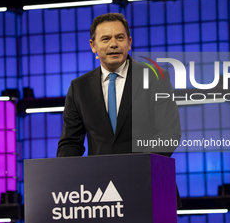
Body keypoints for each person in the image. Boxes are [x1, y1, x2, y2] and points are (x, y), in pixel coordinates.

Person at [57, 12, 182, 207]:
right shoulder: (78, 87)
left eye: (120, 37)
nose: (113, 44)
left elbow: (169, 133)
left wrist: (129, 168)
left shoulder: (157, 77)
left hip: (149, 187)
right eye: (105, 39)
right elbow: (70, 144)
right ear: (93, 46)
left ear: (129, 42)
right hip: (97, 194)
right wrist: (67, 180)